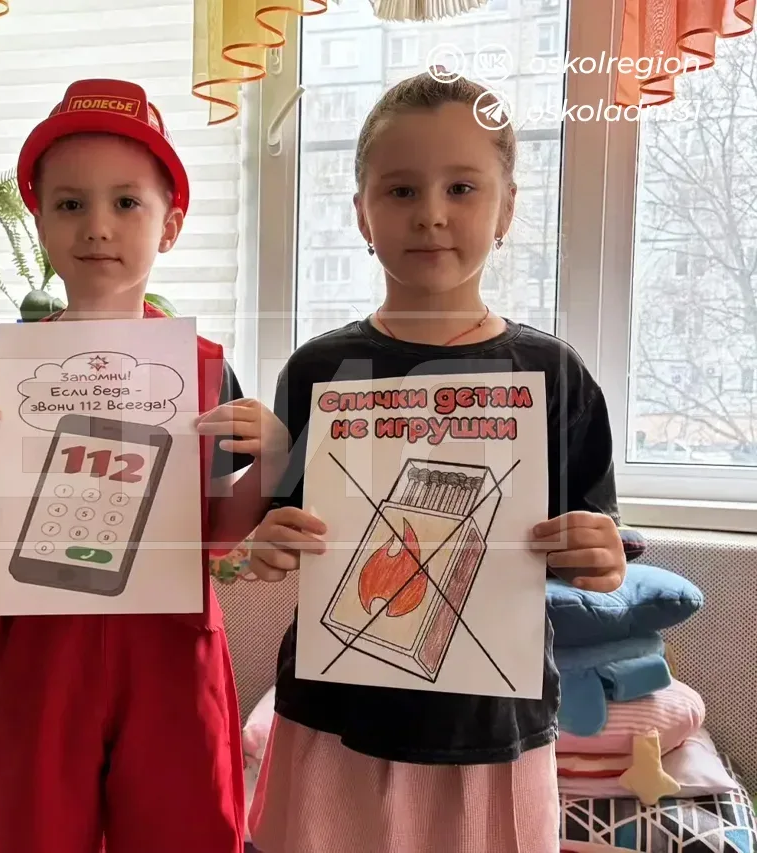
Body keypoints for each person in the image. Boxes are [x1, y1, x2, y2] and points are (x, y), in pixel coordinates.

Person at [245, 71, 627, 853]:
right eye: (400, 190)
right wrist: (267, 541)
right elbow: (278, 527)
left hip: (491, 727)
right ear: (362, 213)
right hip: (336, 717)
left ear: (507, 208)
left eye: (461, 187)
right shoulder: (319, 369)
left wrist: (600, 553)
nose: (430, 213)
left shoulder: (555, 374)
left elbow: (597, 536)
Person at [0, 79, 290, 853]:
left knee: (186, 828)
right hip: (40, 641)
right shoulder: (1, 371)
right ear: (41, 223)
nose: (98, 226)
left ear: (170, 225)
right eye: (70, 204)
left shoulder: (203, 370)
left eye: (126, 203)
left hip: (169, 640)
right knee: (36, 833)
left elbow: (215, 533)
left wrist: (273, 458)